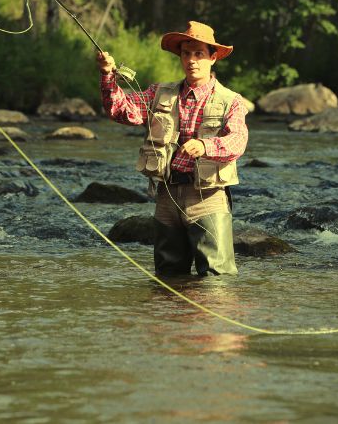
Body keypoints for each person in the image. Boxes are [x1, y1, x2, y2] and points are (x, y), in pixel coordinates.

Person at [96, 20, 248, 276]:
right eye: (186, 54)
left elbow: (238, 140)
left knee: (216, 279)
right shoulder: (159, 93)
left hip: (208, 199)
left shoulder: (231, 101)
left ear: (213, 58)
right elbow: (121, 110)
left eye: (199, 54)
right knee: (167, 278)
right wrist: (107, 75)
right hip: (167, 197)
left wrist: (205, 145)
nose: (191, 60)